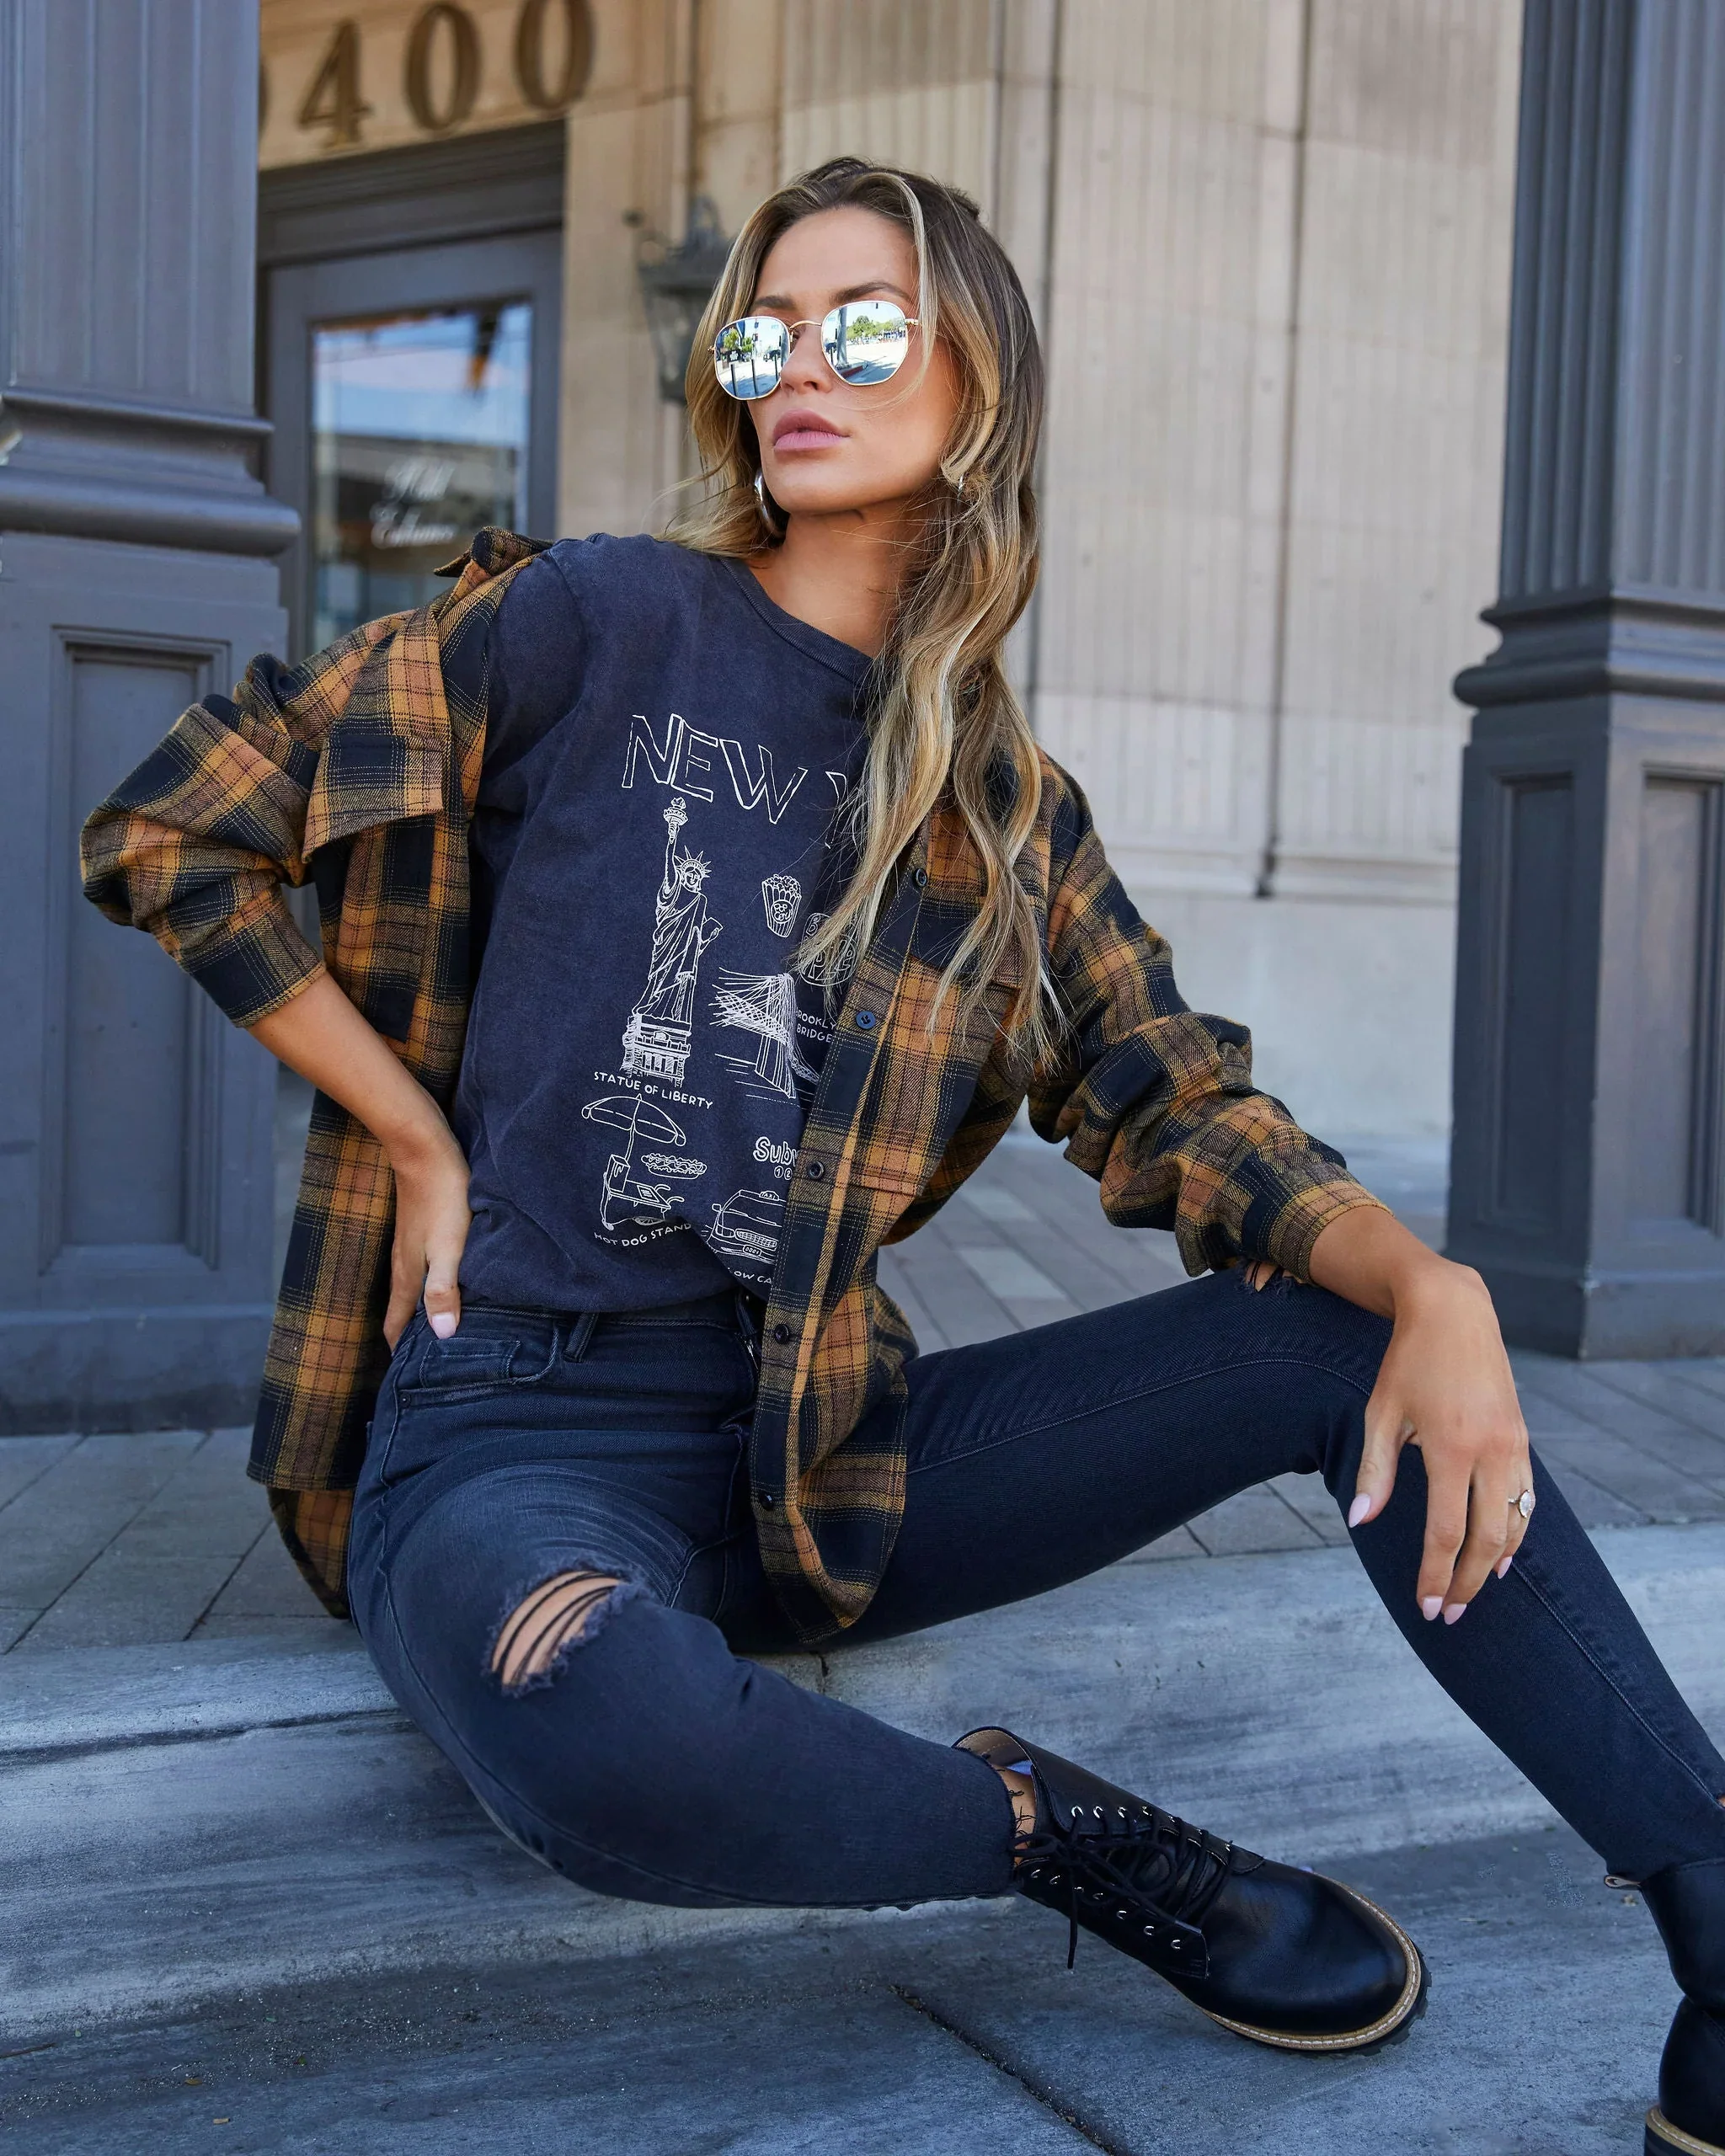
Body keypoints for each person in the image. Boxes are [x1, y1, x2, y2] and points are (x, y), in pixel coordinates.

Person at [83, 157, 1723, 2149]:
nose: (799, 368)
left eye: (862, 329)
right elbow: (176, 821)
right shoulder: (592, 621)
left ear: (977, 386)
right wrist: (412, 1128)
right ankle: (1067, 1838)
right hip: (505, 1437)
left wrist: (1425, 1278)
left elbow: (1172, 1094)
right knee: (592, 1717)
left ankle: (1715, 1916)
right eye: (763, 334)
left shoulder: (1001, 813)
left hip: (812, 1454)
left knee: (1353, 1340)